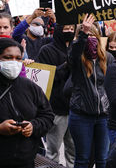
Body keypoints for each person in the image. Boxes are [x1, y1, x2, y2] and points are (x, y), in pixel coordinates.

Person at [0, 38, 54, 168]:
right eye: (8, 57)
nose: (13, 62)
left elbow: (47, 116)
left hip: (25, 161)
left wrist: (33, 126)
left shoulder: (31, 87)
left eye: (18, 58)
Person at [68, 14, 114, 168]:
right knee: (83, 159)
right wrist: (82, 34)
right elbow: (74, 54)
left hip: (103, 116)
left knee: (103, 158)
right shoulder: (77, 60)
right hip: (81, 115)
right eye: (87, 36)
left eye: (92, 35)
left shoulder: (107, 58)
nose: (90, 39)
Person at [38, 24, 76, 167]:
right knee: (52, 152)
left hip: (75, 108)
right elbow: (46, 77)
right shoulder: (46, 50)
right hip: (56, 109)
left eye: (72, 29)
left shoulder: (77, 49)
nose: (69, 32)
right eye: (66, 28)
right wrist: (66, 65)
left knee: (73, 151)